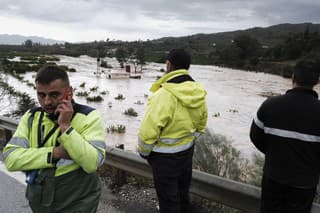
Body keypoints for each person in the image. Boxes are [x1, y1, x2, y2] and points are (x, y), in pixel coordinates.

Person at [3, 65, 106, 213]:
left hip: (77, 201)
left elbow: (92, 163)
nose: (47, 102)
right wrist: (55, 153)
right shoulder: (31, 117)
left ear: (69, 92)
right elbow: (10, 160)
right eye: (41, 95)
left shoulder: (89, 117)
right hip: (41, 201)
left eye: (54, 95)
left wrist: (66, 127)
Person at [137, 49, 208, 213]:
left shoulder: (163, 95)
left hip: (164, 160)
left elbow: (148, 133)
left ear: (168, 65)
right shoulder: (198, 92)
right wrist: (188, 141)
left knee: (169, 202)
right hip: (187, 154)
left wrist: (145, 153)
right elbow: (202, 124)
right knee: (183, 197)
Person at [250, 58, 320, 213]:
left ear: (293, 77)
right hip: (305, 184)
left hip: (273, 178)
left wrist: (275, 153)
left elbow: (255, 136)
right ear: (317, 81)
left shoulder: (270, 105)